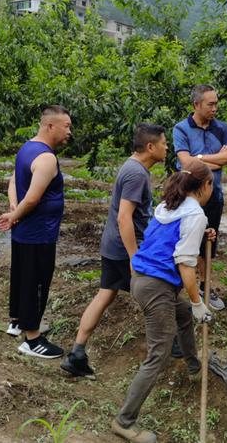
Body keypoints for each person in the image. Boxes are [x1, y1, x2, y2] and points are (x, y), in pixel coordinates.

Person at [111, 159, 215, 443]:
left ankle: (194, 367)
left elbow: (170, 239)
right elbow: (185, 264)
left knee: (180, 315)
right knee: (158, 354)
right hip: (156, 287)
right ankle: (124, 421)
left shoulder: (170, 205)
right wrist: (197, 303)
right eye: (211, 187)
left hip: (144, 280)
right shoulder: (195, 214)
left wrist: (200, 233)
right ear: (205, 186)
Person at [60, 124, 167, 378]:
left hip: (112, 245)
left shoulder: (133, 168)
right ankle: (169, 350)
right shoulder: (136, 174)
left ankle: (77, 353)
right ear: (150, 147)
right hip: (124, 248)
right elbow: (124, 218)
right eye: (164, 143)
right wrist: (134, 257)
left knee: (105, 295)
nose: (166, 148)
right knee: (159, 294)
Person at [0, 105, 72, 359]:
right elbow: (33, 199)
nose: (69, 132)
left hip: (24, 231)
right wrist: (15, 213)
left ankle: (17, 321)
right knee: (37, 283)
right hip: (39, 233)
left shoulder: (27, 148)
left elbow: (14, 181)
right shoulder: (47, 158)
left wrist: (12, 208)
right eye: (66, 126)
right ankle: (32, 339)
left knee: (22, 277)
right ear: (50, 126)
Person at [173, 84, 227, 311]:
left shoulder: (222, 128)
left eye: (216, 103)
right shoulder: (181, 129)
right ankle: (183, 288)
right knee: (188, 243)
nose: (215, 108)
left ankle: (204, 286)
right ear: (196, 105)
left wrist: (199, 157)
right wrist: (215, 159)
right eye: (210, 104)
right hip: (189, 198)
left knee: (209, 242)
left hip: (214, 196)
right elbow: (185, 163)